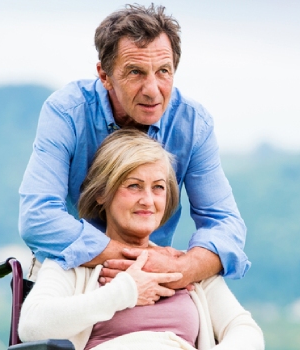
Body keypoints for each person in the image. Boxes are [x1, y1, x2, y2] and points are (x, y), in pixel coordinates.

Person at [18, 4, 249, 290]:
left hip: (158, 278)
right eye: (136, 72)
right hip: (71, 271)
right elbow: (37, 218)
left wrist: (181, 267)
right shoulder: (66, 112)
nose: (152, 90)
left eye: (163, 71)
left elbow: (226, 223)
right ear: (104, 76)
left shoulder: (193, 124)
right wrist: (134, 260)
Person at [18, 130, 263, 350]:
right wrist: (126, 290)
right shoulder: (72, 260)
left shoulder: (184, 266)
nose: (148, 200)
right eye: (134, 186)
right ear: (102, 192)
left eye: (158, 188)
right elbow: (32, 326)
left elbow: (247, 332)